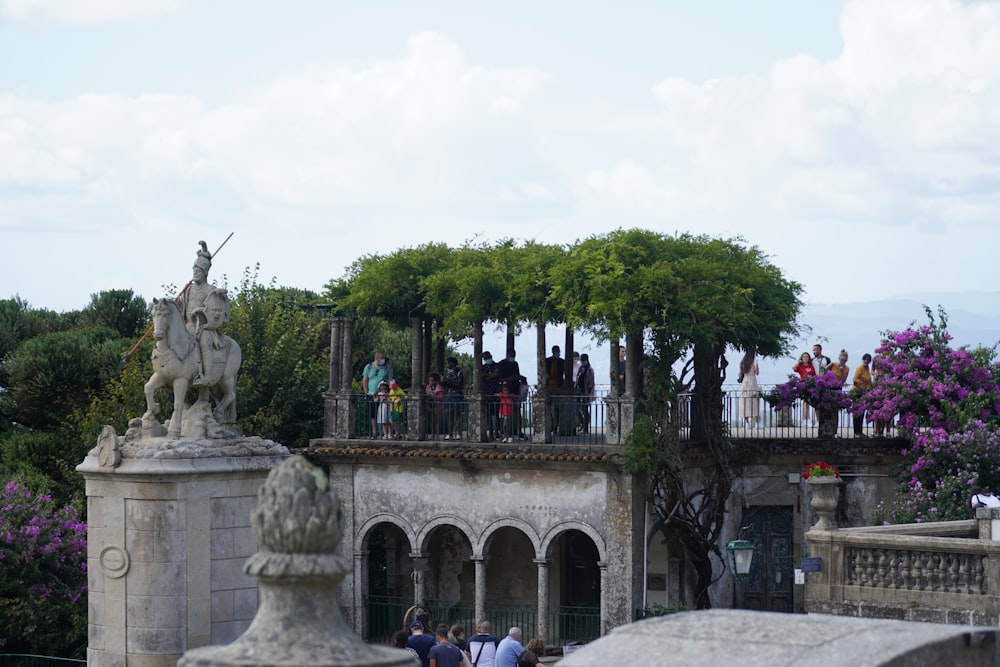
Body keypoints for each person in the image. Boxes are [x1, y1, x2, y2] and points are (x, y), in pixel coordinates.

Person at [177, 241, 231, 388]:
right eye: (194, 270)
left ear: (205, 272)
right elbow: (182, 305)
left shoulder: (210, 289)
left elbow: (218, 305)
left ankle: (206, 376)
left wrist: (220, 295)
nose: (195, 273)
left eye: (198, 271)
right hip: (187, 326)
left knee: (204, 343)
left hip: (203, 328)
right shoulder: (188, 289)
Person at [362, 351, 394, 438]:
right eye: (382, 358)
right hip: (371, 394)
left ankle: (386, 433)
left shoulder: (387, 367)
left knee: (385, 414)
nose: (384, 360)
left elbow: (391, 379)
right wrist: (366, 393)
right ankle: (375, 432)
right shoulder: (368, 367)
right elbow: (365, 380)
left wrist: (391, 392)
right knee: (373, 414)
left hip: (384, 394)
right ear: (377, 358)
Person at [442, 357, 465, 441]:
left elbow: (459, 385)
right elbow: (445, 385)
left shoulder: (459, 373)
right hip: (449, 395)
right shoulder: (447, 373)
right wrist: (443, 382)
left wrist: (448, 381)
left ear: (452, 364)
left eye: (448, 363)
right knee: (450, 414)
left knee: (458, 414)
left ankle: (458, 433)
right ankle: (450, 433)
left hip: (457, 395)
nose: (447, 365)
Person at [851, 353, 873, 438]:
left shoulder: (867, 369)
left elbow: (868, 381)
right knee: (857, 413)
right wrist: (857, 382)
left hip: (864, 393)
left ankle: (860, 431)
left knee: (861, 413)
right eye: (865, 359)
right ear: (863, 360)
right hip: (857, 392)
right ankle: (856, 432)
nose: (866, 361)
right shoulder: (860, 368)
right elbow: (855, 379)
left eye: (868, 360)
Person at [738, 350, 761, 429]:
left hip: (745, 382)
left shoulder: (742, 362)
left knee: (745, 402)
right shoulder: (754, 360)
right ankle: (757, 423)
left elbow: (740, 373)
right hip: (752, 382)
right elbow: (757, 372)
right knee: (755, 402)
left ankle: (747, 423)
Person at [482, 351, 502, 440]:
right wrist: (490, 375)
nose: (485, 359)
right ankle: (490, 431)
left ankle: (496, 431)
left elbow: (497, 374)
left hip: (495, 391)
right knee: (488, 414)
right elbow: (481, 376)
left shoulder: (497, 365)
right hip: (486, 392)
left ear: (490, 356)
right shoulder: (482, 367)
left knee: (496, 413)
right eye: (484, 358)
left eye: (486, 357)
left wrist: (489, 375)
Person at [792, 352, 816, 426]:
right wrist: (798, 362)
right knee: (805, 402)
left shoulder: (812, 366)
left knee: (809, 402)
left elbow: (814, 374)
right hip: (803, 384)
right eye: (804, 357)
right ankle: (806, 419)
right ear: (802, 358)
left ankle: (806, 419)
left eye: (807, 357)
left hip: (811, 384)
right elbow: (793, 368)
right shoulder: (800, 367)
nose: (805, 358)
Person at [576, 353, 595, 434]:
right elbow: (578, 378)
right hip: (579, 390)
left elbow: (591, 383)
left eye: (583, 360)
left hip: (585, 392)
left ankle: (586, 427)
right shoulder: (580, 368)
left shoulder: (590, 370)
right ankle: (582, 423)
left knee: (585, 409)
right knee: (577, 408)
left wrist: (589, 393)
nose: (582, 362)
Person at [425, 372, 444, 438]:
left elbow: (441, 397)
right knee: (431, 421)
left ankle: (437, 434)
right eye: (429, 381)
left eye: (432, 381)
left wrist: (434, 396)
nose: (431, 382)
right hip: (430, 405)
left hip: (437, 406)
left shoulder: (438, 387)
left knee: (437, 421)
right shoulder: (427, 387)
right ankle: (432, 434)